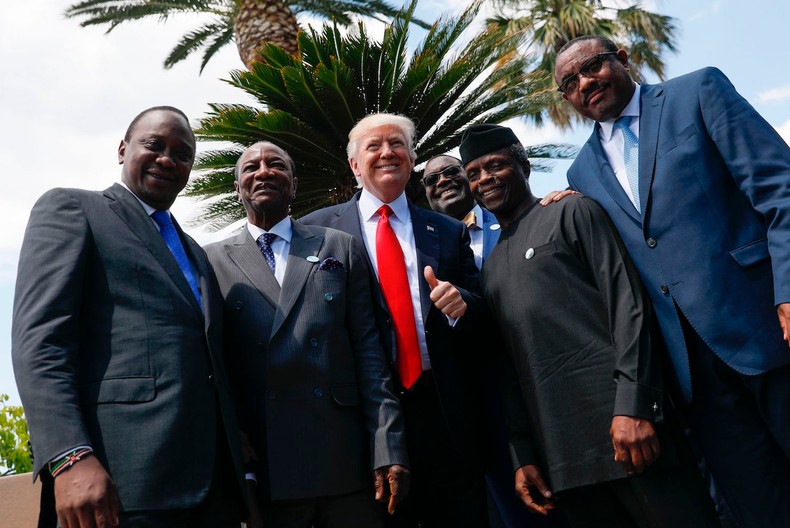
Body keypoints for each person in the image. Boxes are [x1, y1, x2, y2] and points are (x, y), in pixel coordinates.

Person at [554, 35, 790, 527]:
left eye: (592, 66)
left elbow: (779, 191)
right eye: (570, 83)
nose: (584, 83)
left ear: (622, 58)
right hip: (692, 376)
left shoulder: (697, 91)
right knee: (760, 508)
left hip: (767, 324)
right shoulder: (581, 173)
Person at [460, 123, 720, 528]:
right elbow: (509, 369)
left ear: (524, 165)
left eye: (495, 165)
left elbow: (629, 307)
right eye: (473, 173)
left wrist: (635, 406)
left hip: (631, 436)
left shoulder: (572, 212)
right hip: (564, 458)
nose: (484, 179)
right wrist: (523, 454)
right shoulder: (490, 269)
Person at [12, 106, 246, 528]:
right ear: (122, 149)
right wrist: (68, 456)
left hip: (213, 490)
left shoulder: (196, 252)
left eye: (182, 154)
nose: (167, 159)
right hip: (119, 484)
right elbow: (41, 342)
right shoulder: (74, 209)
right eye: (154, 145)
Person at [205, 141, 410, 527]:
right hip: (267, 462)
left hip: (344, 455)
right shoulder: (211, 260)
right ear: (237, 188)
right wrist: (232, 437)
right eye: (250, 168)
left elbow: (369, 353)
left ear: (294, 184)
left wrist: (388, 445)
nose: (263, 172)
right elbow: (211, 362)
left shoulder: (338, 245)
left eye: (276, 164)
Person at [302, 114, 489, 528]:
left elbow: (481, 308)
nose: (387, 152)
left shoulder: (446, 230)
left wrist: (462, 305)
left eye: (397, 144)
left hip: (443, 413)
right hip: (361, 420)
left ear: (412, 159)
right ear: (355, 165)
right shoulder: (315, 231)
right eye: (374, 146)